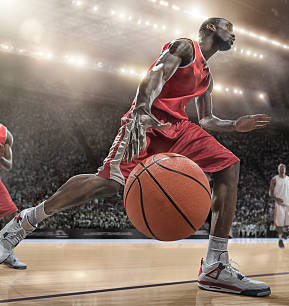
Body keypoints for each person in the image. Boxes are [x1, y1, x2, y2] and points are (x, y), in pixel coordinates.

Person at [0, 17, 272, 297]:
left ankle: (215, 265)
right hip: (149, 121)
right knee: (107, 183)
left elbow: (207, 120)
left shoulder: (207, 77)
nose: (234, 34)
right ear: (212, 28)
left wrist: (235, 124)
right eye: (230, 28)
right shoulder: (186, 47)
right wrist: (142, 110)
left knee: (229, 165)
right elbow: (154, 75)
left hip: (179, 128)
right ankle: (24, 222)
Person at [0, 124, 26, 269]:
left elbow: (8, 165)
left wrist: (0, 158)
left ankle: (6, 254)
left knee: (11, 214)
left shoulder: (5, 134)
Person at [269, 163, 289, 248]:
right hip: (279, 204)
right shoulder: (274, 179)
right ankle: (280, 239)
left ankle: (285, 232)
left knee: (288, 223)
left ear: (285, 169)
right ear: (278, 169)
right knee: (279, 223)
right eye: (281, 168)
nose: (282, 170)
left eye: (283, 168)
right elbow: (270, 193)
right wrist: (276, 199)